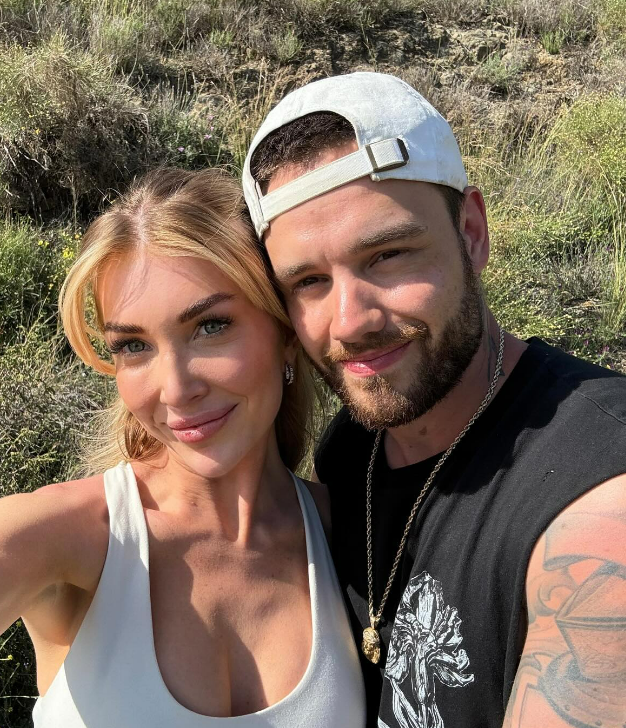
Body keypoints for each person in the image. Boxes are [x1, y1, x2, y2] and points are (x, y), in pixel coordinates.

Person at [242, 72, 626, 728]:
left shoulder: (599, 496)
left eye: (388, 254)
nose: (349, 321)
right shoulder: (353, 451)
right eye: (308, 281)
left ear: (472, 232)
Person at [0, 168, 366, 727]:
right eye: (133, 346)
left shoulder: (358, 539)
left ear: (286, 333)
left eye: (211, 327)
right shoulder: (68, 537)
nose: (175, 389)